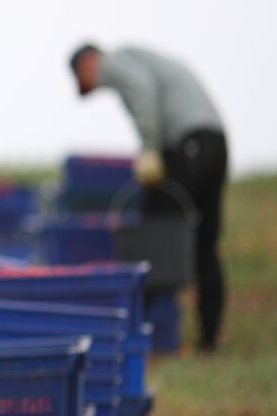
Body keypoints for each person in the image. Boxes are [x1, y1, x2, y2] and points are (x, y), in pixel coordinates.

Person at [70, 43, 229, 352]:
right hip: (216, 141)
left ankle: (140, 331)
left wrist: (149, 149)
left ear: (88, 62)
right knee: (206, 241)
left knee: (153, 232)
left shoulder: (113, 62)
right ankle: (209, 338)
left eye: (82, 76)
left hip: (187, 141)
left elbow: (142, 91)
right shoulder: (141, 58)